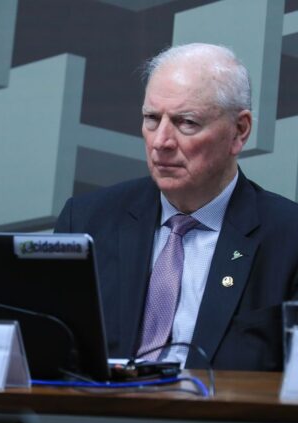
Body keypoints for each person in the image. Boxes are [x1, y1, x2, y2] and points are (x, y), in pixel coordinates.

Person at [54, 43, 298, 371]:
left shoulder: (288, 238)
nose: (161, 142)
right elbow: (51, 357)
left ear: (239, 131)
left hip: (219, 419)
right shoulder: (87, 221)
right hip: (101, 417)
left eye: (186, 123)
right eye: (152, 119)